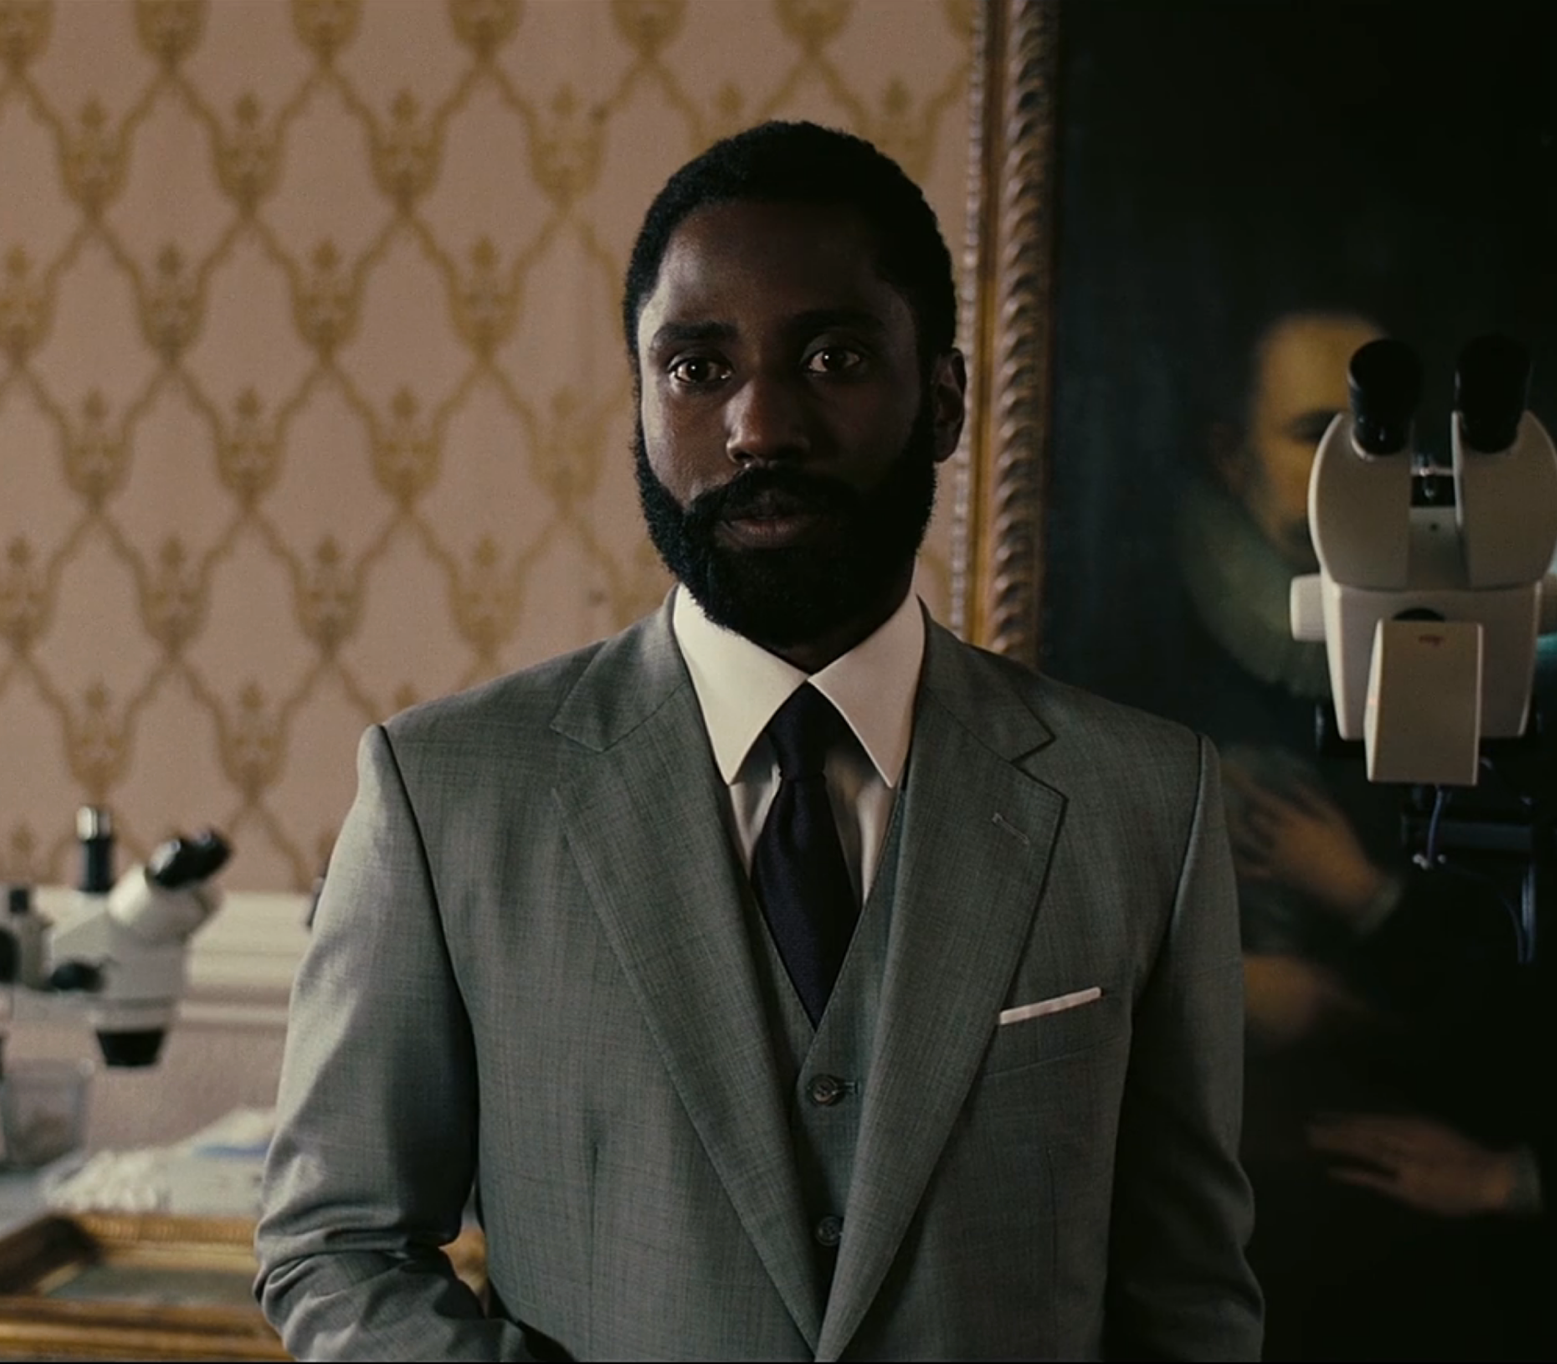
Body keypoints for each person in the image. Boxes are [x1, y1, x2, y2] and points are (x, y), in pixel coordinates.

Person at [254, 121, 1263, 1361]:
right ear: (641, 404)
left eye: (834, 357)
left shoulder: (1145, 801)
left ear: (944, 400)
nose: (760, 425)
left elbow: (1189, 1297)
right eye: (698, 367)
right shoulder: (446, 794)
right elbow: (336, 1244)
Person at [1167, 303, 1547, 1359]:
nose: (1352, 473)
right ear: (1232, 457)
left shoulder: (1477, 654)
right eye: (1311, 435)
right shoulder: (1140, 639)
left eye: (1372, 440)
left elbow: (1527, 1014)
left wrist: (1359, 901)